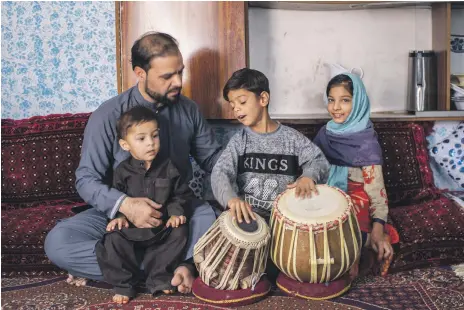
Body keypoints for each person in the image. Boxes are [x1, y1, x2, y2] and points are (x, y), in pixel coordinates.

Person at [44, 32, 222, 293]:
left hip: (175, 213)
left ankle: (126, 271)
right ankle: (174, 268)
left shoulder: (188, 109)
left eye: (180, 72)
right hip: (120, 219)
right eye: (167, 76)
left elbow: (213, 160)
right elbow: (86, 179)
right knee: (58, 243)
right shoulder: (107, 115)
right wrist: (125, 205)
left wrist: (246, 177)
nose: (178, 82)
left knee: (214, 219)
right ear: (140, 73)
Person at [95, 106, 193, 304]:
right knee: (111, 239)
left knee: (181, 231)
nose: (151, 143)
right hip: (132, 230)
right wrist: (120, 219)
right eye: (141, 139)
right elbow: (118, 199)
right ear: (125, 144)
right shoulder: (122, 171)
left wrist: (175, 213)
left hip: (161, 228)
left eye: (155, 136)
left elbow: (181, 194)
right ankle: (124, 284)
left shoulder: (169, 167)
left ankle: (159, 278)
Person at [211, 68, 330, 223]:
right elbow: (220, 172)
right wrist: (231, 199)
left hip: (285, 218)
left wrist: (308, 176)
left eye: (242, 102)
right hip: (249, 218)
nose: (236, 109)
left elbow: (318, 160)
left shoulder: (292, 138)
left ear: (263, 99)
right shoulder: (238, 141)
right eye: (232, 106)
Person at [313, 73, 398, 279]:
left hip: (356, 202)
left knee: (348, 213)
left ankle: (363, 244)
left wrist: (377, 229)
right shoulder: (325, 134)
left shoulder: (366, 141)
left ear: (358, 102)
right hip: (328, 194)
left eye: (345, 100)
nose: (336, 107)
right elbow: (312, 169)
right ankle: (358, 246)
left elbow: (376, 193)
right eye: (331, 100)